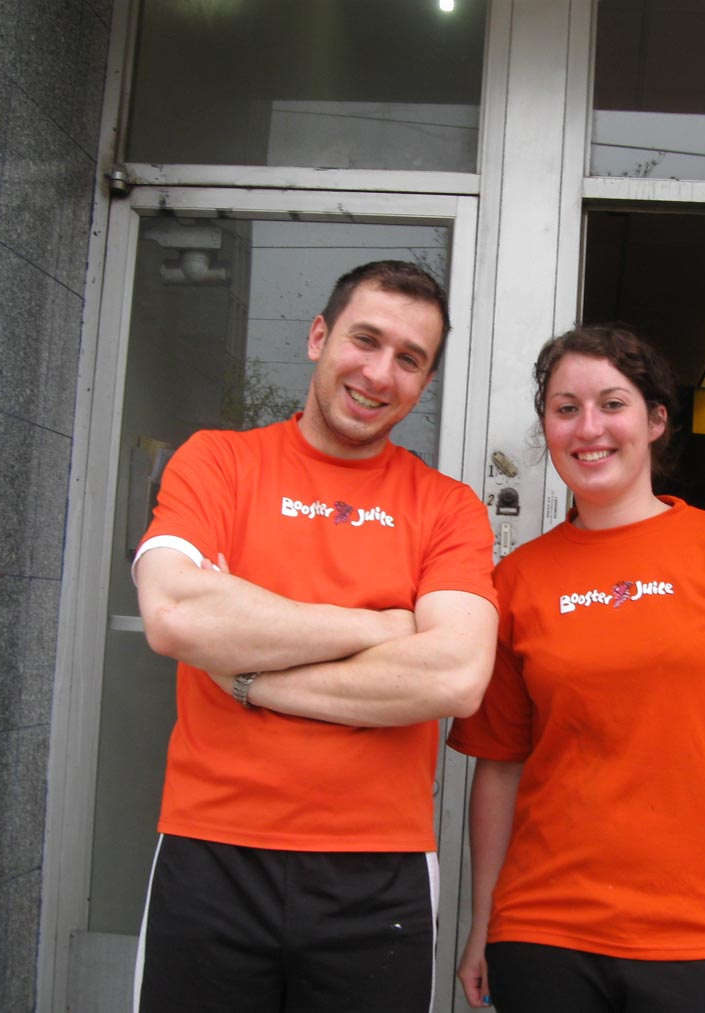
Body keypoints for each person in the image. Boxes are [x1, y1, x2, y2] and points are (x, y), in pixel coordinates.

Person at [131, 260, 500, 1013]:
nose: (379, 373)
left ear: (426, 381)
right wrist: (381, 626)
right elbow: (175, 612)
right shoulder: (218, 462)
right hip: (211, 849)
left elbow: (455, 675)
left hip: (378, 870)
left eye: (409, 359)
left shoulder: (447, 508)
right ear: (318, 337)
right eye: (365, 340)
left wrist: (249, 676)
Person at [448, 325, 705, 1012]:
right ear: (547, 428)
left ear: (656, 420)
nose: (589, 428)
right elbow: (500, 768)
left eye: (612, 404)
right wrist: (484, 922)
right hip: (545, 932)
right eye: (566, 408)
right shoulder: (516, 581)